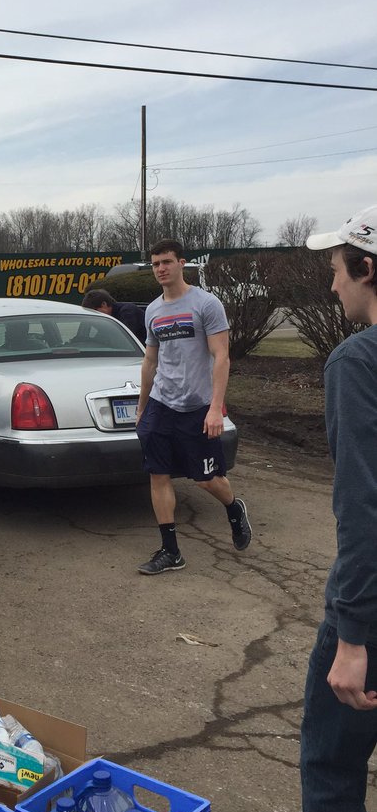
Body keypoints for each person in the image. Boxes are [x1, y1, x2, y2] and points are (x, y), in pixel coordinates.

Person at [276, 208, 377, 812]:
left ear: (368, 269)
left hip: (371, 616)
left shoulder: (357, 361)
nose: (332, 284)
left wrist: (353, 634)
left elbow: (363, 505)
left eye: (337, 269)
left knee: (331, 772)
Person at [134, 238, 251, 576]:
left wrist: (215, 408)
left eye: (167, 262)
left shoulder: (206, 304)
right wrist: (142, 408)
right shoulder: (153, 310)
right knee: (158, 474)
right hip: (161, 404)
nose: (161, 269)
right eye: (156, 263)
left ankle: (233, 508)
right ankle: (171, 552)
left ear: (181, 263)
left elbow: (221, 357)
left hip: (198, 406)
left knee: (206, 480)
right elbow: (150, 361)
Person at [82, 287, 148, 344]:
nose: (95, 316)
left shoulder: (127, 312)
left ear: (104, 304)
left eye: (95, 312)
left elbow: (124, 338)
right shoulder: (107, 318)